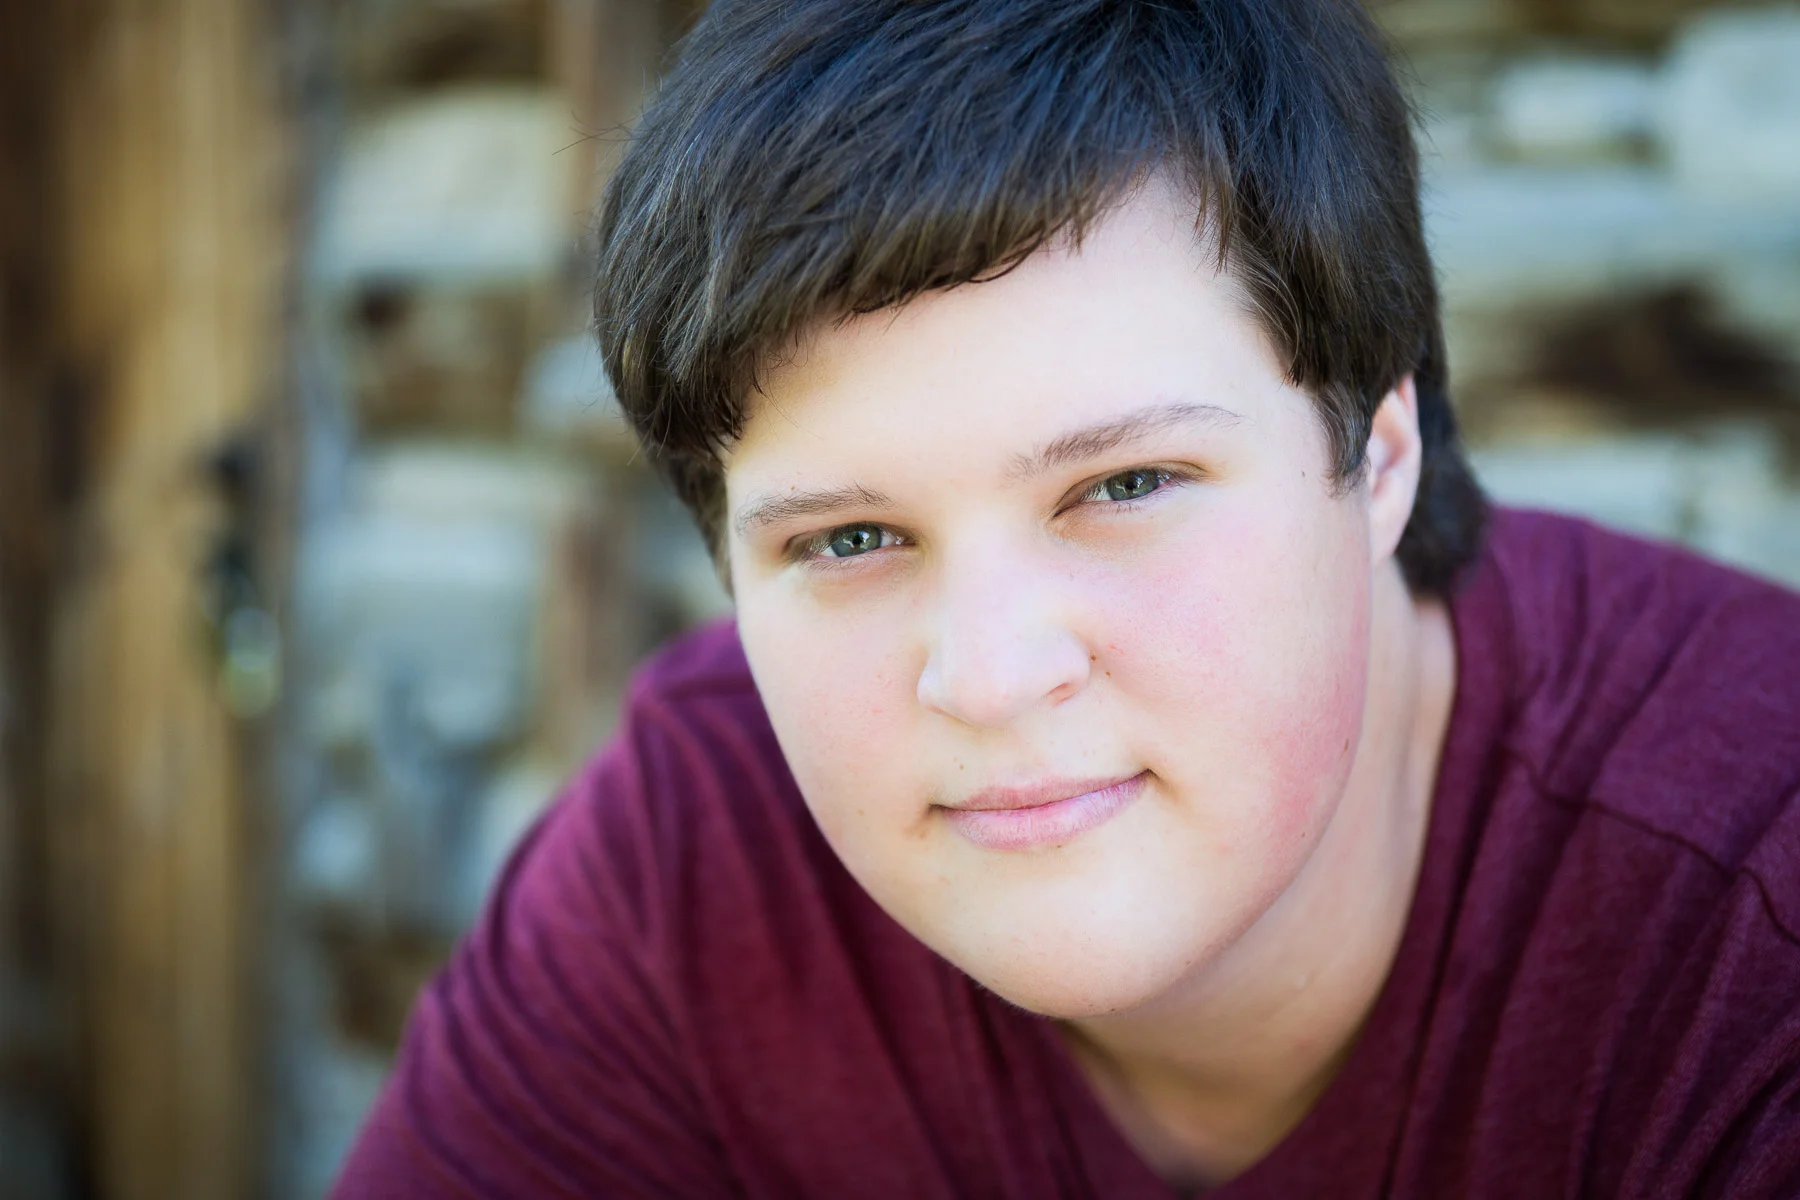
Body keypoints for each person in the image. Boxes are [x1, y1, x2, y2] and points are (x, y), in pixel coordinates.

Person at [334, 0, 1800, 1195]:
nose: (988, 673)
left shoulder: (1748, 927)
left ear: (1382, 452)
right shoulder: (692, 869)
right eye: (849, 540)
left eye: (1123, 488)